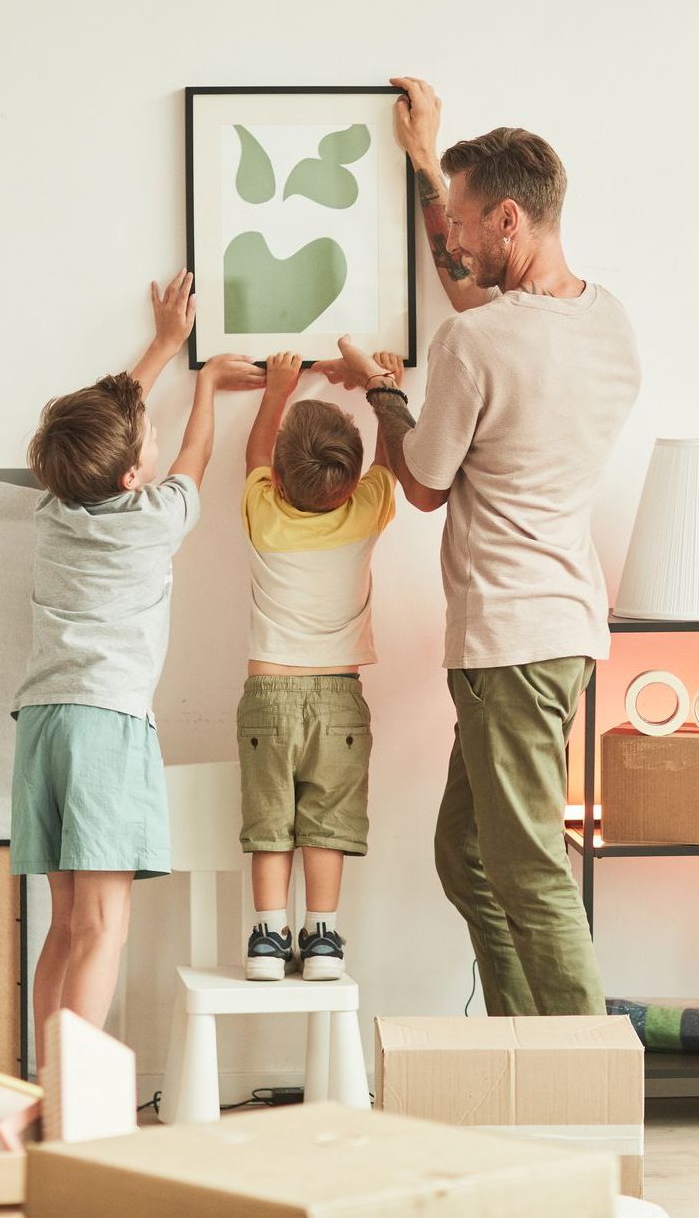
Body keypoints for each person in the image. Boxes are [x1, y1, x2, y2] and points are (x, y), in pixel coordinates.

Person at [313, 78, 641, 1016]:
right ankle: (521, 1048)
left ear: (508, 218)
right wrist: (426, 161)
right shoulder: (609, 321)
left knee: (531, 870)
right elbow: (477, 306)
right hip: (563, 630)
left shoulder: (474, 348)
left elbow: (419, 483)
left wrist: (379, 391)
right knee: (467, 854)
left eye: (459, 220)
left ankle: (586, 1097)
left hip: (508, 640)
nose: (449, 238)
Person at [10, 269, 264, 1062]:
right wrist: (209, 388)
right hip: (105, 726)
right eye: (141, 439)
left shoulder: (52, 510)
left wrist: (162, 346)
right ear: (130, 477)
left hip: (42, 728)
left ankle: (49, 1086)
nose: (153, 436)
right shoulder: (155, 518)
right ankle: (76, 1103)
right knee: (105, 929)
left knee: (65, 925)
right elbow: (194, 453)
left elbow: (116, 422)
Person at [237, 348, 400, 982]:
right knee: (327, 821)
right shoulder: (366, 510)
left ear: (278, 479)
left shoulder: (263, 512)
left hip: (268, 692)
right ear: (351, 483)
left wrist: (276, 390)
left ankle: (268, 937)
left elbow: (255, 453)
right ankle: (324, 938)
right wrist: (386, 389)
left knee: (269, 819)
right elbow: (389, 461)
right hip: (339, 697)